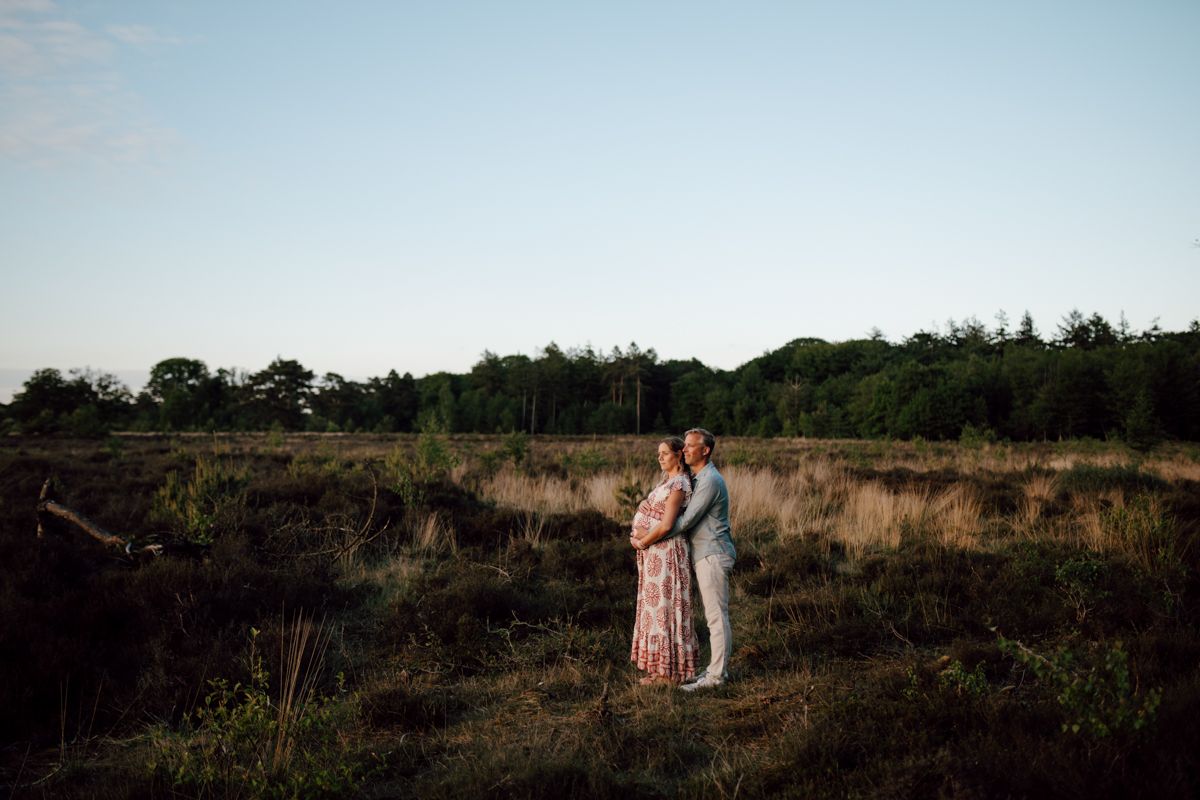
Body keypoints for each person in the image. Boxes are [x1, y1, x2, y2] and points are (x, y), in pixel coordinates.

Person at [668, 428, 736, 691]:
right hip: (705, 554)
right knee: (712, 616)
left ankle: (717, 677)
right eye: (684, 446)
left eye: (689, 446)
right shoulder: (698, 477)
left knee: (716, 617)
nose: (684, 450)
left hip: (713, 554)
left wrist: (652, 536)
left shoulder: (710, 480)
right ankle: (713, 671)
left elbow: (686, 521)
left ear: (705, 450)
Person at [629, 437, 700, 685]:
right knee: (655, 609)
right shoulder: (667, 481)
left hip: (667, 553)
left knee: (666, 609)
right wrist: (638, 537)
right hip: (655, 553)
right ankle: (659, 669)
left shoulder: (679, 484)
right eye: (658, 453)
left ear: (679, 455)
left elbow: (668, 524)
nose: (659, 457)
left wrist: (643, 540)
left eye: (665, 453)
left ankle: (670, 673)